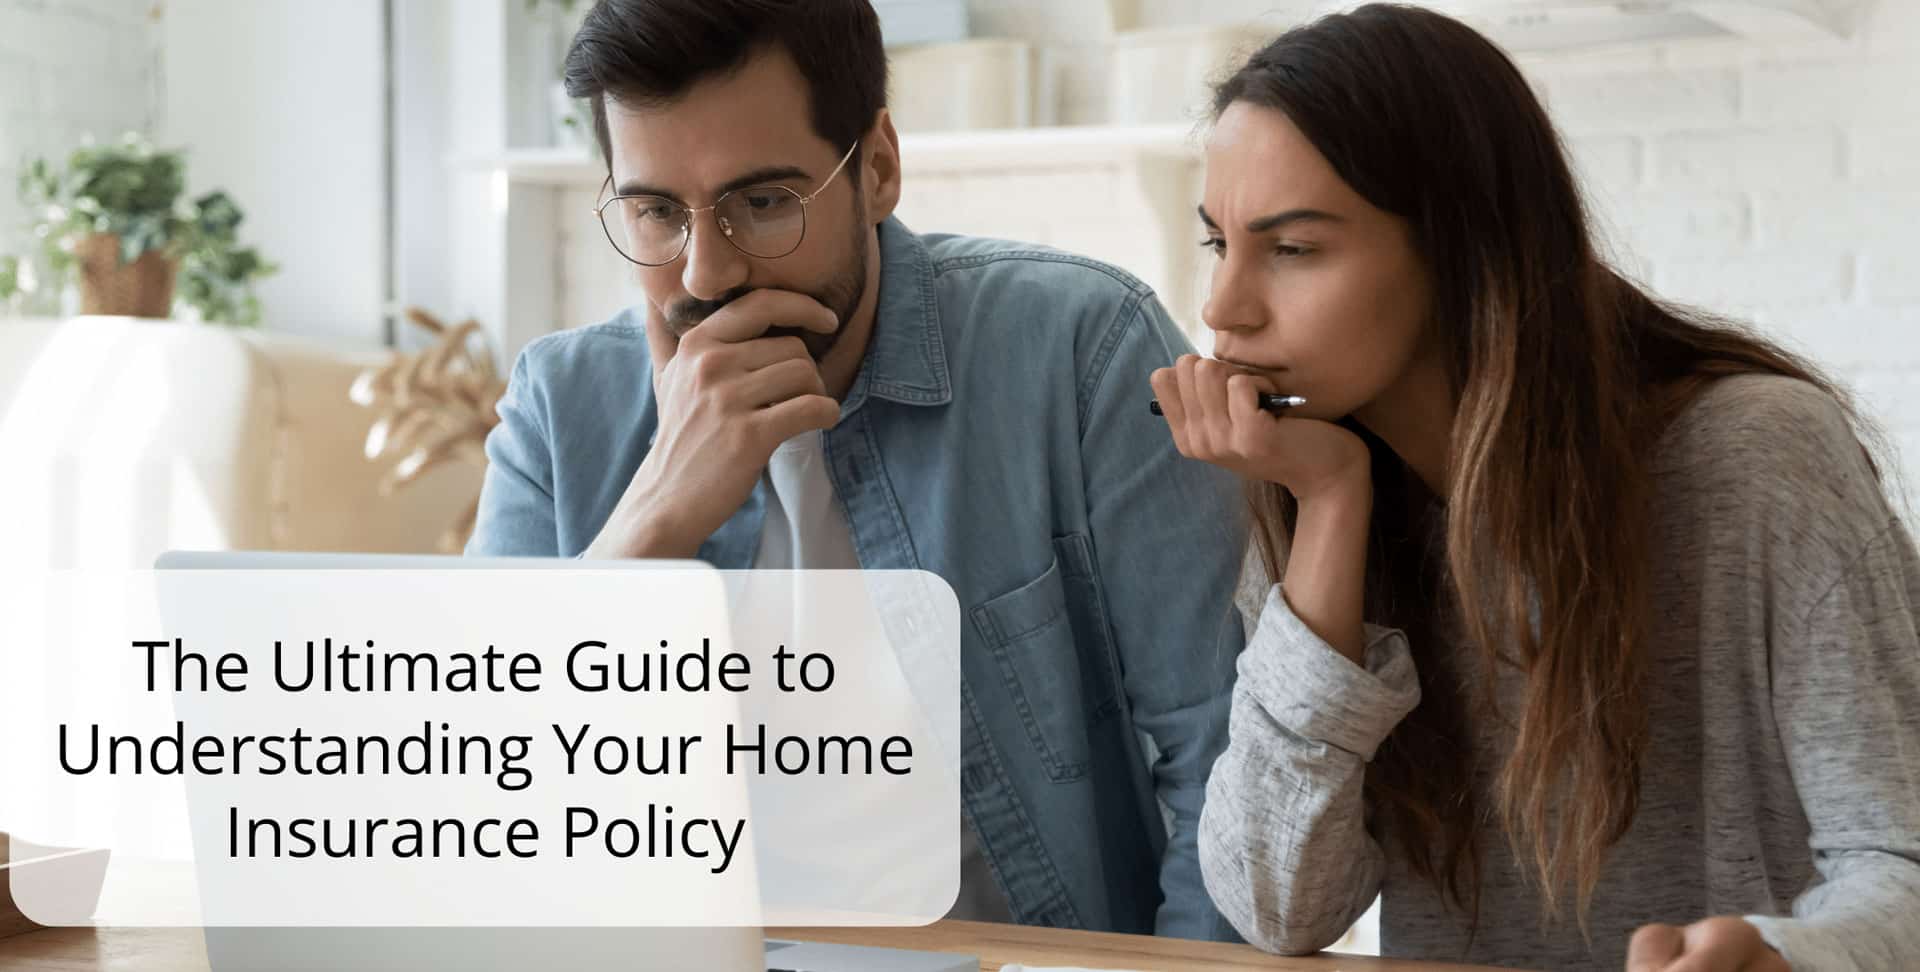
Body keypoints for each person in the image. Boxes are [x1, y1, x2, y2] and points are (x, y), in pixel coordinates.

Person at [1151, 5, 1920, 970]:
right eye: (1220, 243)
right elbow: (1280, 906)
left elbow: (1902, 860)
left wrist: (1777, 955)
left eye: (1295, 248)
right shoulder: (1307, 484)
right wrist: (1332, 508)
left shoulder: (1757, 456)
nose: (1223, 309)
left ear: (1462, 249)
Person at [465, 0, 1248, 941]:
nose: (707, 273)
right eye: (657, 213)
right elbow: (478, 818)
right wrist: (654, 519)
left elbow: (1225, 776)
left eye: (763, 203)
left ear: (878, 166)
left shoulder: (1080, 348)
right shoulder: (559, 408)